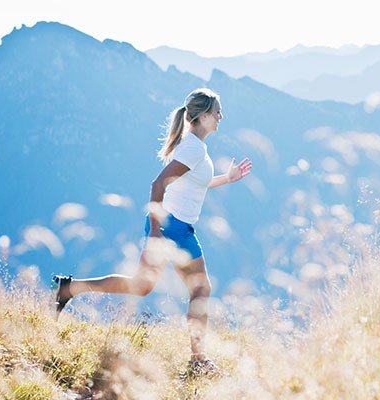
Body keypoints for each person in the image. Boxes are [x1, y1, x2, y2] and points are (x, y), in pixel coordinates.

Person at [52, 88, 251, 375]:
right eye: (218, 111)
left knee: (146, 286)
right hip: (170, 227)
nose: (222, 117)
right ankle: (198, 360)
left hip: (180, 229)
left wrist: (227, 178)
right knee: (197, 289)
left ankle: (68, 288)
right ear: (204, 115)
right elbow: (157, 185)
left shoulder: (196, 146)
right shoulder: (194, 148)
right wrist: (157, 231)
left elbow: (195, 183)